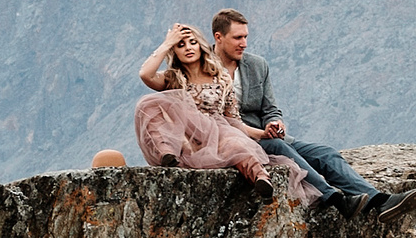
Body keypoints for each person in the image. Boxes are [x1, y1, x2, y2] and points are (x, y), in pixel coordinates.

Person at [208, 9, 416, 221]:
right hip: (238, 143)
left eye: (246, 37)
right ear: (219, 37)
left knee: (325, 153)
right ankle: (334, 198)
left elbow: (270, 108)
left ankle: (381, 201)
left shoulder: (257, 65)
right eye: (237, 38)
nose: (244, 43)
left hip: (269, 136)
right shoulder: (201, 68)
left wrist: (275, 122)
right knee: (279, 147)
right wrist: (262, 135)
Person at [131, 24, 311, 202]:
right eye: (180, 45)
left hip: (217, 134)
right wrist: (167, 43)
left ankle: (261, 179)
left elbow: (235, 121)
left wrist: (263, 133)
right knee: (148, 104)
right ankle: (167, 154)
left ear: (200, 46)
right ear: (174, 51)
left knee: (236, 145)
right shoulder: (172, 79)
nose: (188, 48)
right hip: (186, 141)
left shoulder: (221, 78)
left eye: (192, 43)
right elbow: (146, 74)